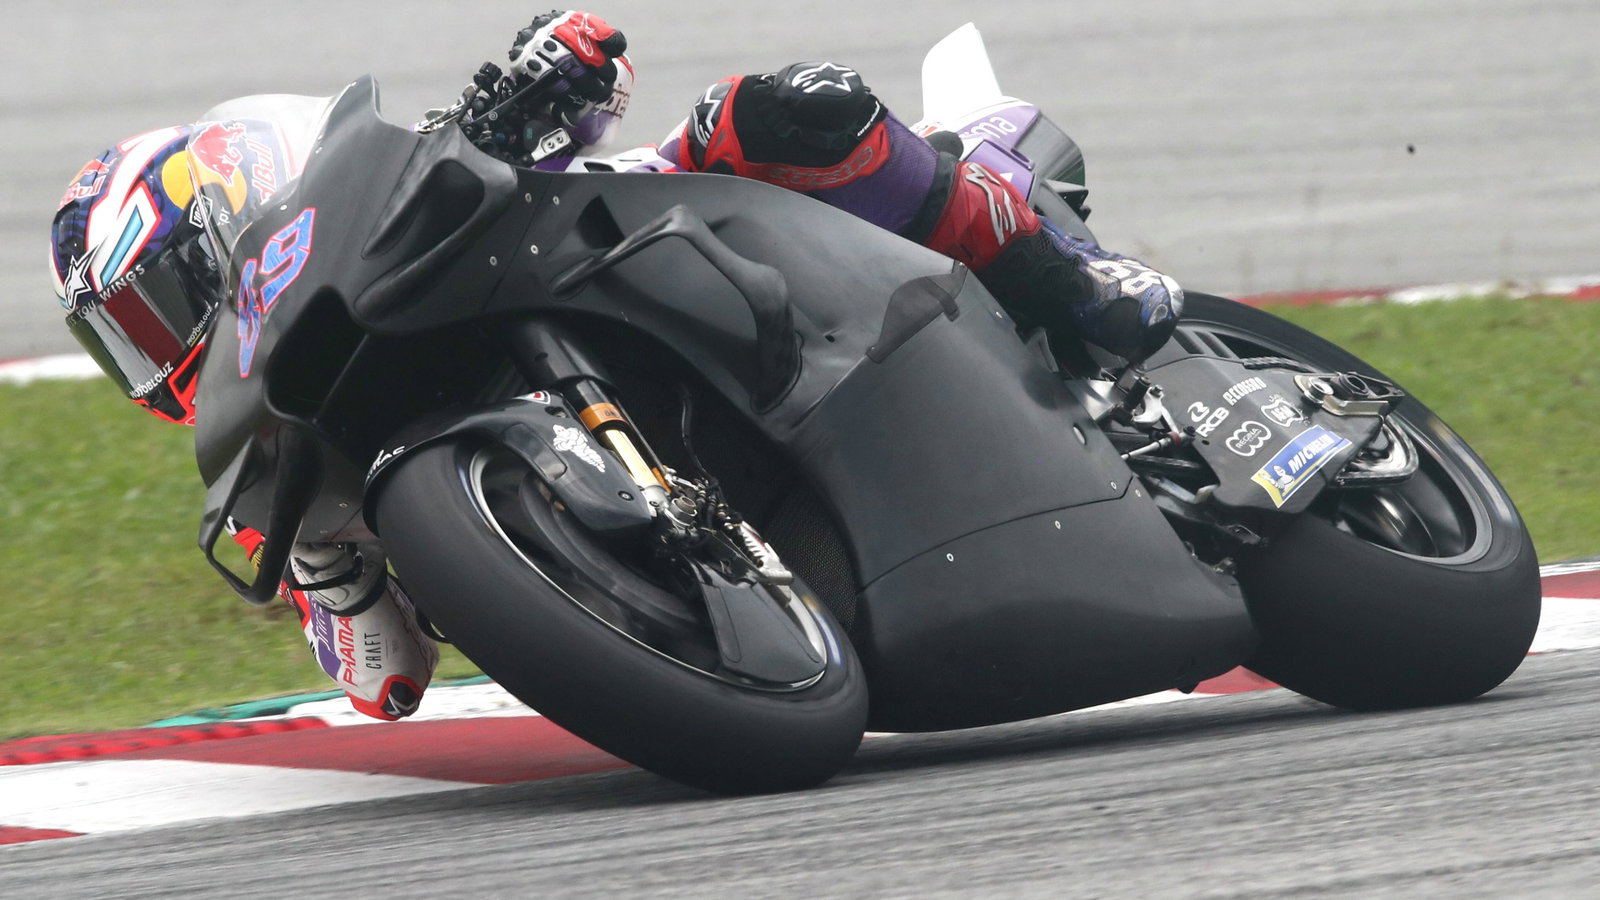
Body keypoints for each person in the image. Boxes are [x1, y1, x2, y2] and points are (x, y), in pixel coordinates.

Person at [48, 10, 1182, 722]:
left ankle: (1066, 272)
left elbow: (586, 96)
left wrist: (553, 72)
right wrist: (334, 572)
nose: (155, 353)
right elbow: (382, 683)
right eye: (125, 342)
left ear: (226, 212)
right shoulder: (282, 486)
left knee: (781, 110)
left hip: (634, 241)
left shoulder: (381, 199)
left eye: (153, 305)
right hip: (763, 585)